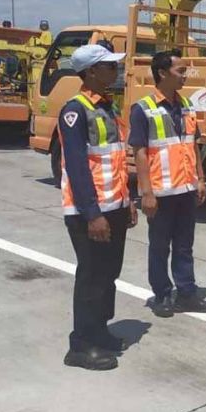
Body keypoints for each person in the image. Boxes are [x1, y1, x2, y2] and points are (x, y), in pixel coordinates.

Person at [59, 44, 137, 370]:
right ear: (90, 72)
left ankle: (100, 330)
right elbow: (77, 168)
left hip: (114, 206)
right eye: (108, 66)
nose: (114, 71)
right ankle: (81, 344)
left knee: (108, 273)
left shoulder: (107, 107)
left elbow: (116, 160)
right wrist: (93, 214)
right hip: (90, 212)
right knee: (91, 275)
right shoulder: (74, 111)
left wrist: (127, 200)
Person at [130, 50, 206, 317]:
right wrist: (146, 193)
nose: (185, 76)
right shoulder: (143, 109)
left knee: (184, 246)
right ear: (162, 74)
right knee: (159, 246)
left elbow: (193, 146)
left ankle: (187, 292)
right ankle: (163, 294)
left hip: (186, 190)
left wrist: (200, 179)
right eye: (181, 71)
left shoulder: (187, 106)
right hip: (160, 191)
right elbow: (140, 153)